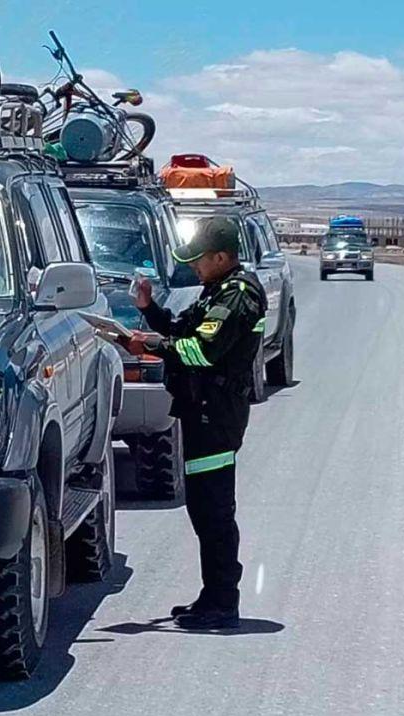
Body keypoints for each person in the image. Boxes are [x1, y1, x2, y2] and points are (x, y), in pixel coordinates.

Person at [120, 215, 267, 630]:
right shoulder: (215, 291)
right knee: (204, 511)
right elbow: (181, 329)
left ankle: (223, 602)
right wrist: (148, 310)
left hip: (216, 415)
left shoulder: (238, 296)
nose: (194, 267)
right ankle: (213, 596)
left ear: (222, 257)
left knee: (214, 511)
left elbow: (200, 351)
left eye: (200, 260)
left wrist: (151, 345)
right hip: (201, 412)